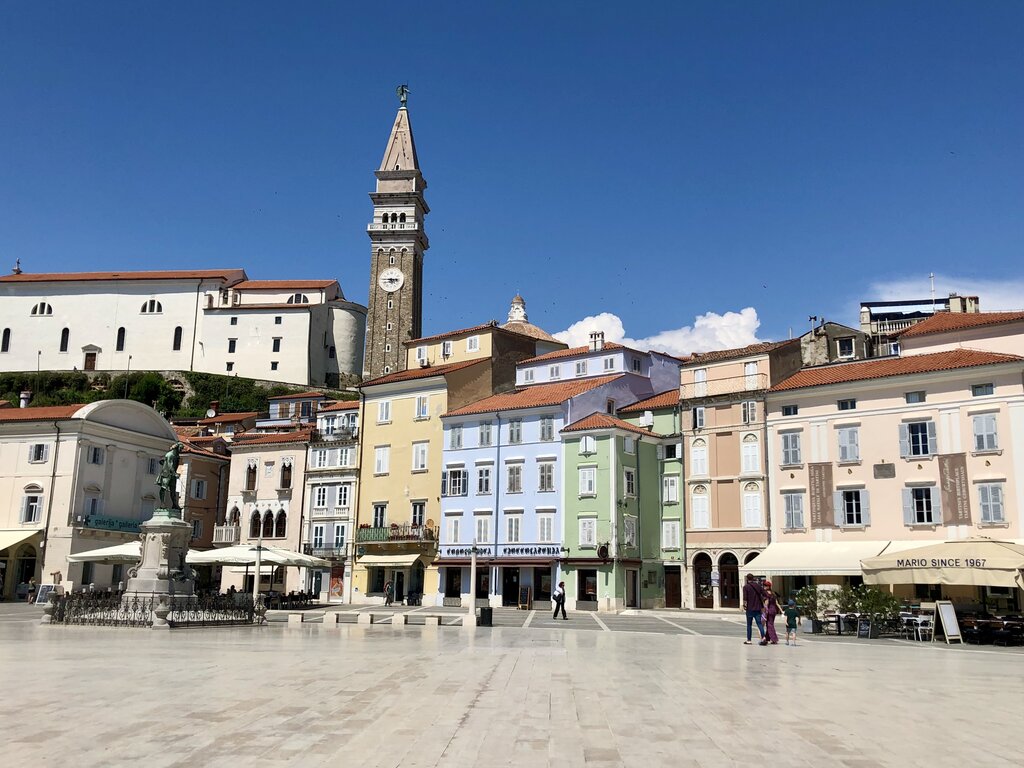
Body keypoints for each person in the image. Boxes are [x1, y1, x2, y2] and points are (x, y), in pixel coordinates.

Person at [741, 573, 767, 645]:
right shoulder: (758, 586)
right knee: (759, 624)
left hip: (750, 608)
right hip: (758, 608)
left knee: (749, 625)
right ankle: (763, 637)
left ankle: (749, 640)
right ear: (753, 578)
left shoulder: (746, 587)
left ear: (747, 579)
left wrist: (744, 606)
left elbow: (745, 598)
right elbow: (764, 594)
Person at [760, 580, 780, 645]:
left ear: (768, 586)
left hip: (769, 610)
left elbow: (766, 602)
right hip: (774, 610)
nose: (764, 586)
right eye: (764, 585)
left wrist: (765, 611)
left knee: (769, 625)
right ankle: (767, 638)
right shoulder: (773, 593)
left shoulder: (765, 593)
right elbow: (776, 602)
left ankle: (774, 639)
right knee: (770, 624)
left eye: (765, 585)